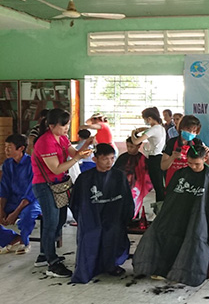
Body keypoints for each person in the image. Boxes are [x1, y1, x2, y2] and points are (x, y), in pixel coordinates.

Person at [133, 143, 209, 286]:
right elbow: (170, 198)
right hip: (176, 214)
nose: (193, 167)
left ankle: (187, 271)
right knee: (158, 231)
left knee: (195, 237)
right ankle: (160, 267)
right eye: (189, 163)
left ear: (204, 159)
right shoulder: (180, 174)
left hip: (199, 218)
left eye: (196, 164)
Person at [31, 108, 92, 277]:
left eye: (68, 124)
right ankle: (52, 263)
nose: (67, 128)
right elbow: (56, 167)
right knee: (51, 222)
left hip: (59, 185)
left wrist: (86, 148)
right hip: (45, 185)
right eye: (64, 125)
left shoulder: (62, 138)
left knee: (61, 219)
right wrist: (76, 159)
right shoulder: (45, 142)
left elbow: (74, 153)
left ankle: (45, 254)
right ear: (51, 125)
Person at [69, 143, 134, 283]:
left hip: (113, 217)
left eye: (112, 158)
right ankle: (90, 267)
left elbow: (127, 200)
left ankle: (111, 265)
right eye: (105, 159)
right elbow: (75, 202)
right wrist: (83, 219)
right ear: (95, 159)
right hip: (91, 217)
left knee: (113, 234)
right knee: (91, 234)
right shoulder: (84, 178)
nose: (109, 162)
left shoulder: (119, 176)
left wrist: (126, 218)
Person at [0, 134, 41, 255]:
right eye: (5, 147)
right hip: (13, 199)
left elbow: (31, 192)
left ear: (21, 148)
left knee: (27, 215)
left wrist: (15, 213)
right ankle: (12, 238)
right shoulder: (7, 164)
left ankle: (24, 241)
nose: (6, 150)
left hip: (31, 201)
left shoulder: (32, 163)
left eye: (9, 147)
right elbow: (4, 188)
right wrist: (1, 209)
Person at [161, 115, 209, 187]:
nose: (191, 133)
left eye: (194, 131)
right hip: (174, 180)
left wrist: (208, 153)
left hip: (192, 180)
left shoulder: (197, 142)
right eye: (188, 130)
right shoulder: (171, 143)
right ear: (181, 128)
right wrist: (172, 157)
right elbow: (163, 166)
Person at [131, 107, 166, 202]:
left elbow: (136, 141)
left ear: (149, 118)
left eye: (145, 119)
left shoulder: (153, 129)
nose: (145, 121)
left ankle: (160, 206)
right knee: (159, 185)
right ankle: (160, 205)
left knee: (157, 186)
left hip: (154, 159)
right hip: (160, 157)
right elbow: (149, 130)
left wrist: (133, 133)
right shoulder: (161, 128)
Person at [114, 137, 154, 218]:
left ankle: (134, 218)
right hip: (123, 185)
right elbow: (115, 172)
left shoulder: (142, 159)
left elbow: (146, 174)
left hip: (137, 187)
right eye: (128, 146)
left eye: (131, 147)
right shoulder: (122, 158)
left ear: (139, 146)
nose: (129, 149)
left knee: (135, 203)